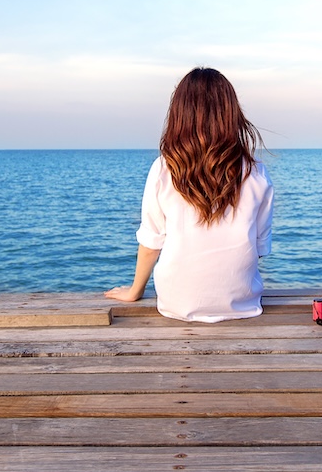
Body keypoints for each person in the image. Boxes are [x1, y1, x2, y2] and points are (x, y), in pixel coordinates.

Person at [105, 67, 273, 322]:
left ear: (180, 115)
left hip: (176, 304)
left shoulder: (164, 169)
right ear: (231, 113)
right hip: (242, 304)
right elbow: (258, 247)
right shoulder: (256, 173)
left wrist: (135, 291)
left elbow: (151, 242)